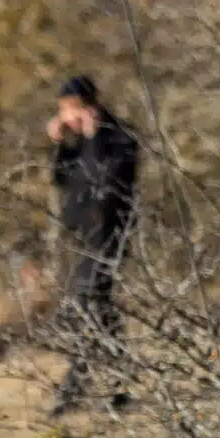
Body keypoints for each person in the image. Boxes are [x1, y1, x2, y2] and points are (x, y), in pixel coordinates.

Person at [46, 75, 142, 414]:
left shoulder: (119, 137)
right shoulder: (79, 146)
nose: (66, 118)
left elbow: (115, 179)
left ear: (86, 107)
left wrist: (96, 136)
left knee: (90, 307)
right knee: (97, 310)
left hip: (108, 235)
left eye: (69, 111)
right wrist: (60, 144)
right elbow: (61, 179)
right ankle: (122, 384)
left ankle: (74, 390)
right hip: (83, 236)